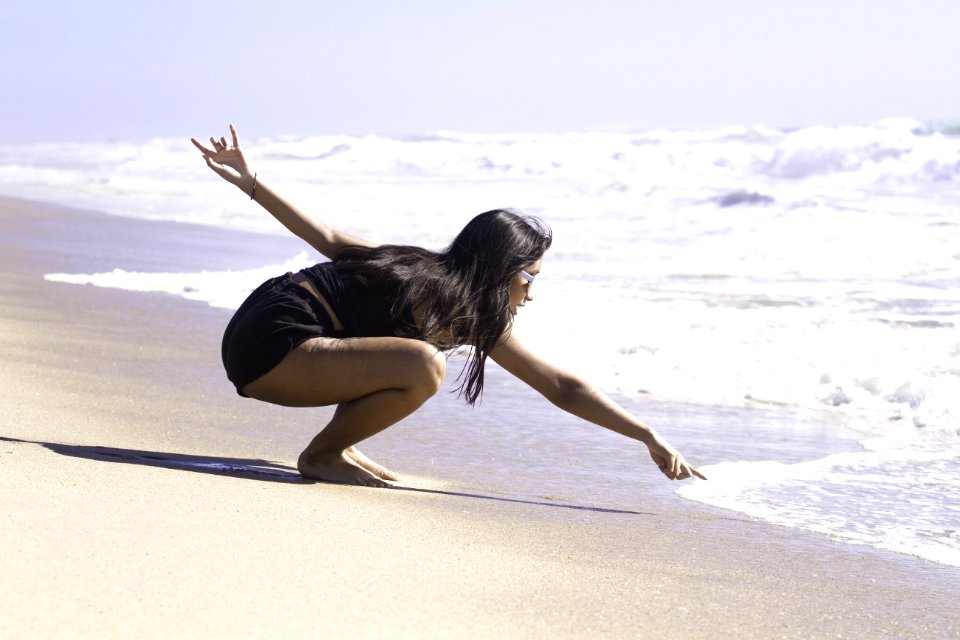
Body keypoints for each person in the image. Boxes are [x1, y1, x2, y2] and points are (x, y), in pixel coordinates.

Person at [191, 125, 706, 488]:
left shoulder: (466, 308)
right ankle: (322, 455)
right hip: (275, 341)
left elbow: (561, 386)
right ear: (501, 269)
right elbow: (325, 236)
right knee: (423, 363)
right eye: (529, 277)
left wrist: (646, 435)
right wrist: (250, 180)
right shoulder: (420, 273)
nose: (532, 291)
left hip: (262, 337)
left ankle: (336, 447)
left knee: (407, 358)